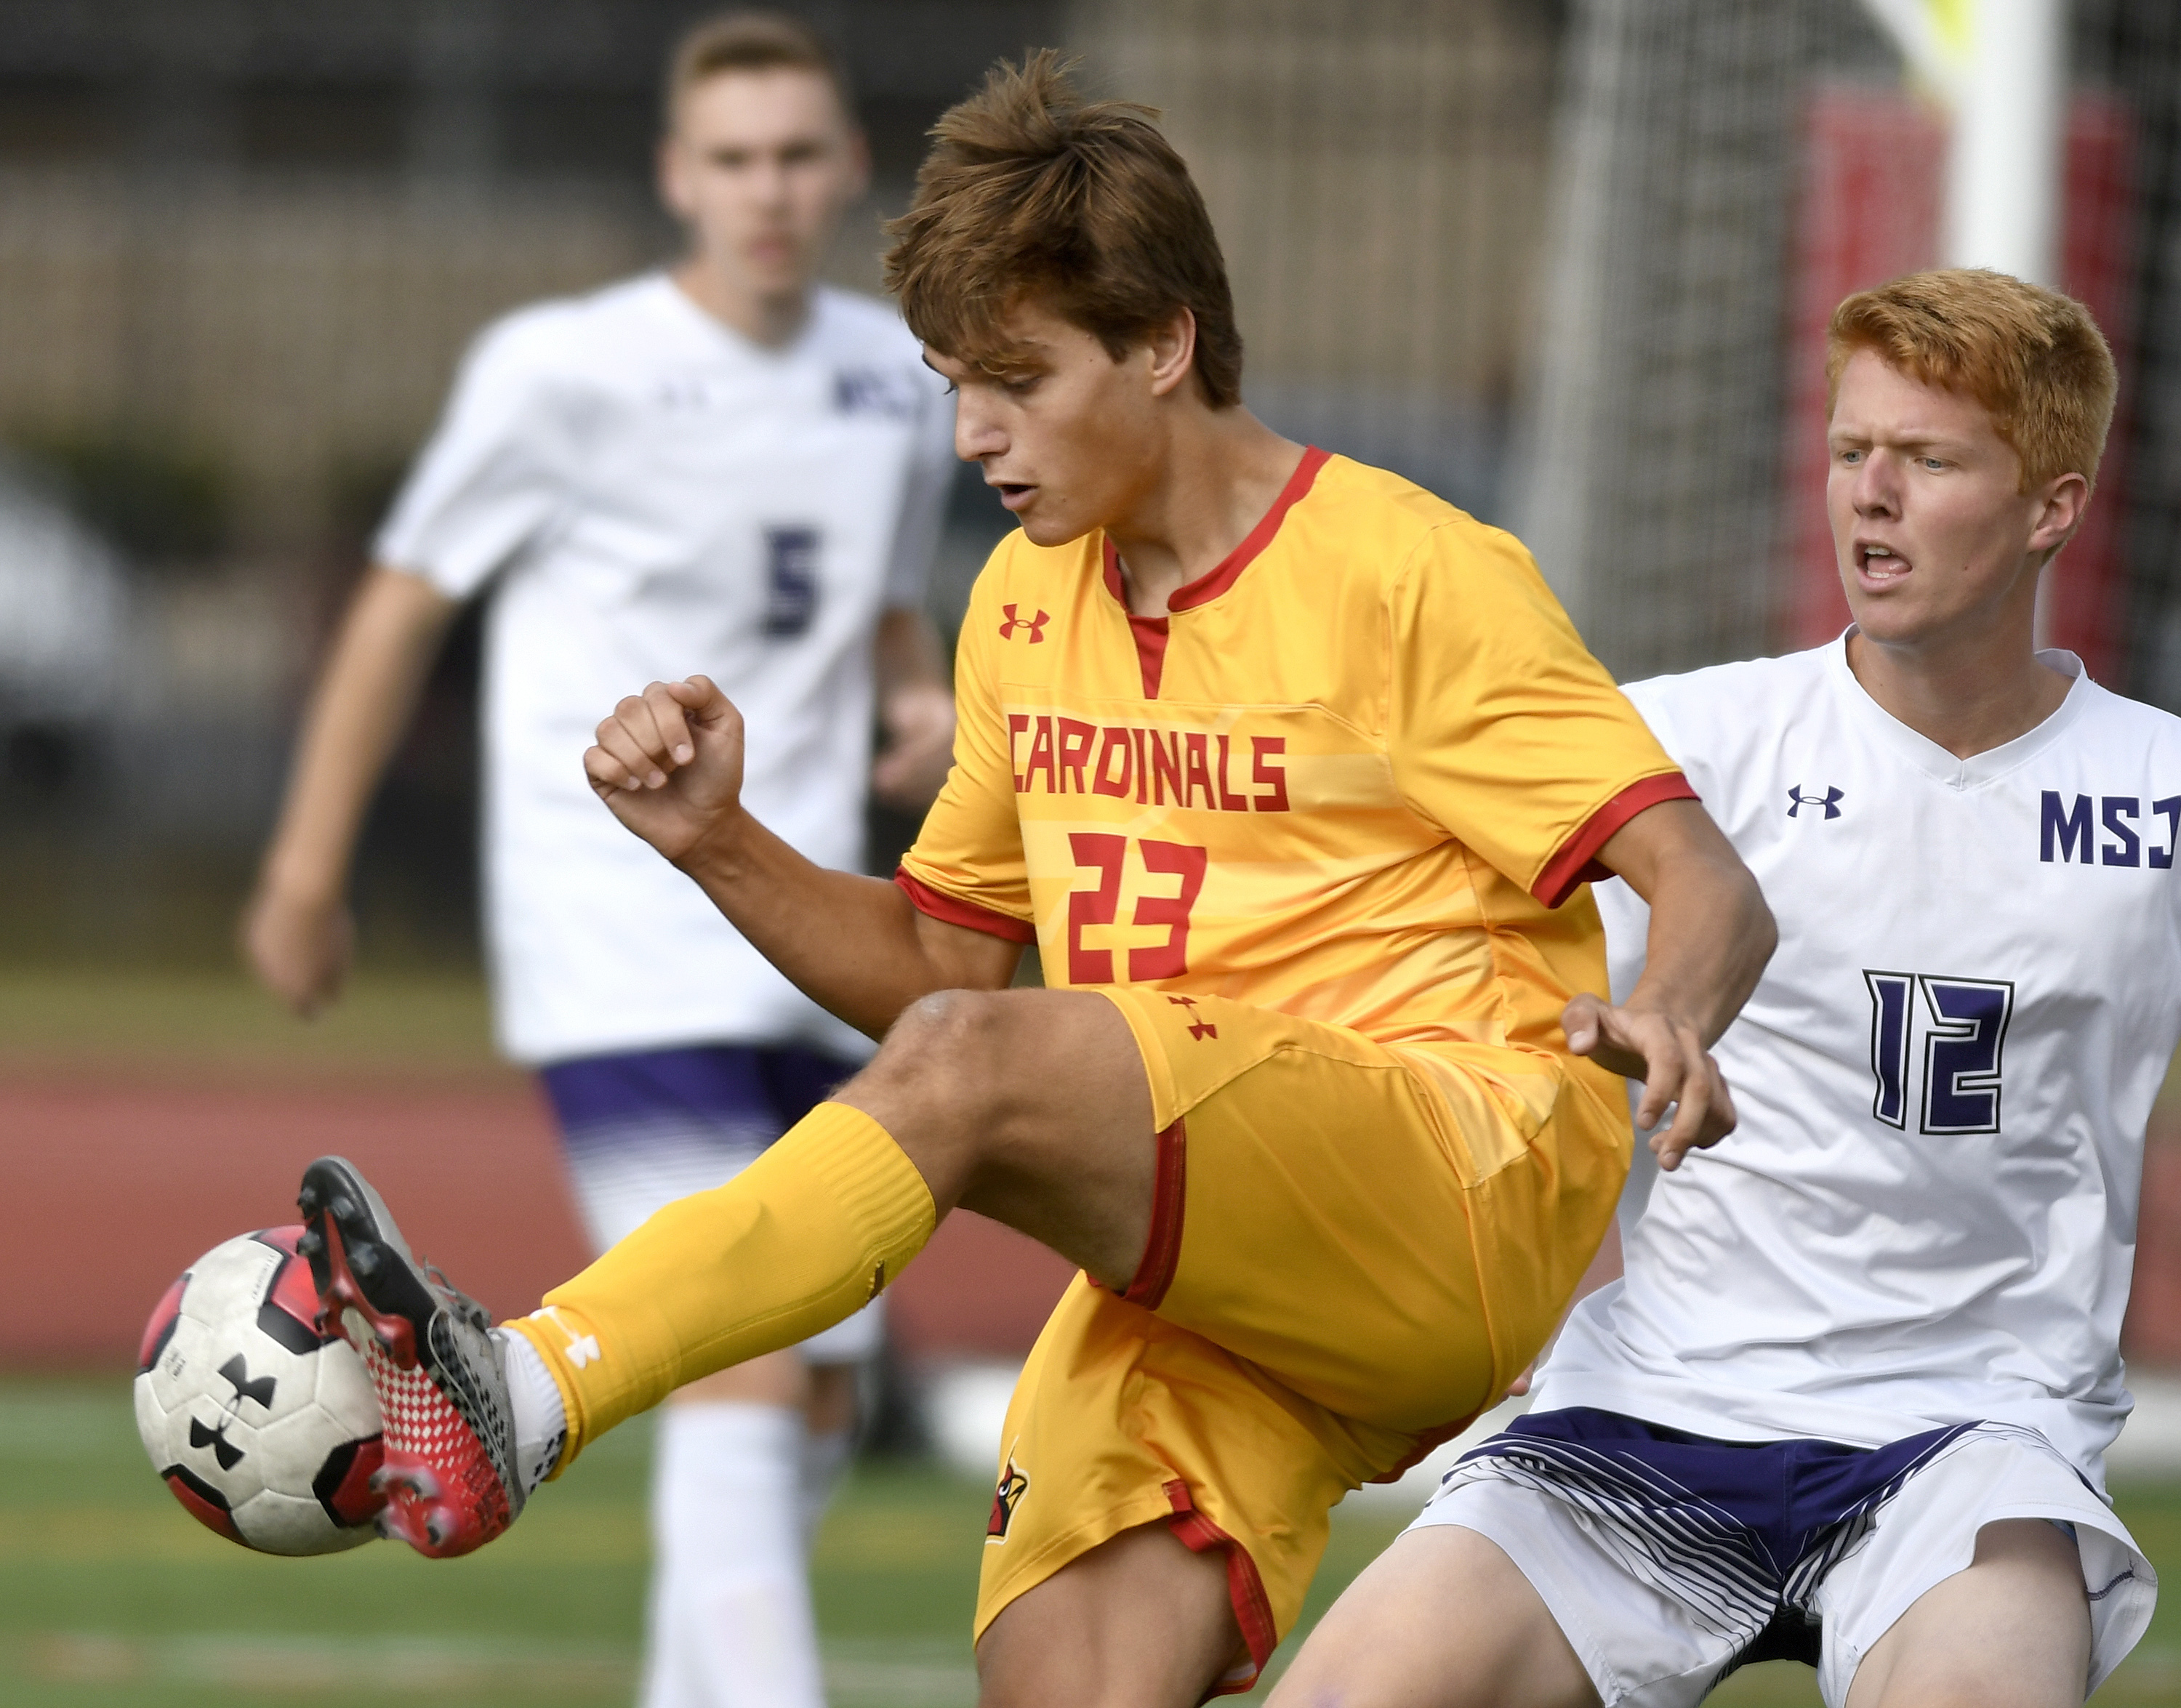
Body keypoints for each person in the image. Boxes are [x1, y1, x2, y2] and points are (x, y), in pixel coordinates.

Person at [292, 55, 1774, 1707]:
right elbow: (946, 967)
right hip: (1220, 1257)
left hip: (1455, 1176)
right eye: (948, 381)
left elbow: (1700, 873)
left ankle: (529, 1383)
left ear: (1162, 342)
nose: (973, 432)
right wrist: (721, 838)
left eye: (1016, 376)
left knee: (977, 1071)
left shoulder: (1415, 572)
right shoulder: (1022, 598)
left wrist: (1674, 1008)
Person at [1272, 267, 2167, 1708]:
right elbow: (1386, 937)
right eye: (1848, 449)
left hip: (1971, 1435)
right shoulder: (1682, 746)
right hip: (1657, 1403)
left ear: (2052, 508)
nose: (1868, 495)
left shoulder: (2159, 792)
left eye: (1927, 460)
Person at [242, 15, 957, 1708]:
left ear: (846, 167)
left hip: (804, 924)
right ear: (674, 178)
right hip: (618, 932)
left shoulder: (888, 376)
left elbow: (876, 596)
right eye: (731, 160)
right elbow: (405, 597)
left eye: (796, 156)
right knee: (748, 1369)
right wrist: (305, 862)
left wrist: (914, 688)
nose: (766, 191)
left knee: (817, 1384)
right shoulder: (563, 369)